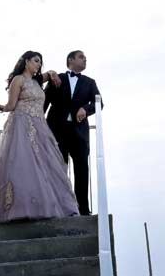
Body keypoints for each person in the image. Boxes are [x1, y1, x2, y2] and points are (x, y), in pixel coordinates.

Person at [0, 51, 79, 223]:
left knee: (48, 164)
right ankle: (19, 209)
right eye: (36, 61)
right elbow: (11, 105)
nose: (38, 65)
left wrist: (51, 73)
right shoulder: (18, 80)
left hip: (40, 127)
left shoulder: (36, 81)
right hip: (21, 125)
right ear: (26, 61)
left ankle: (50, 206)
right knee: (23, 165)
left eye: (40, 62)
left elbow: (50, 73)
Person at [43, 50, 100, 216]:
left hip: (79, 134)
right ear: (70, 60)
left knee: (82, 170)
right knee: (57, 169)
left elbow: (99, 102)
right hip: (56, 131)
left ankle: (83, 209)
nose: (85, 59)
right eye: (82, 57)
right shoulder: (56, 78)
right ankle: (57, 208)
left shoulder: (90, 82)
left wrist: (85, 108)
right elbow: (44, 103)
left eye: (85, 58)